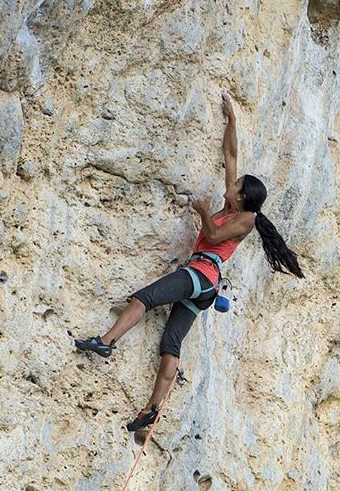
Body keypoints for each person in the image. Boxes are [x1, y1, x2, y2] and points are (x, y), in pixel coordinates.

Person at [74, 91, 304, 431]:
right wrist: (233, 121)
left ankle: (106, 342)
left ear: (242, 198)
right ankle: (150, 411)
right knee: (171, 342)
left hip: (201, 274)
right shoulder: (233, 205)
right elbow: (230, 154)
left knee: (144, 298)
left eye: (237, 184)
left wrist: (200, 213)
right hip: (205, 287)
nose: (233, 182)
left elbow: (212, 238)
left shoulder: (247, 219)